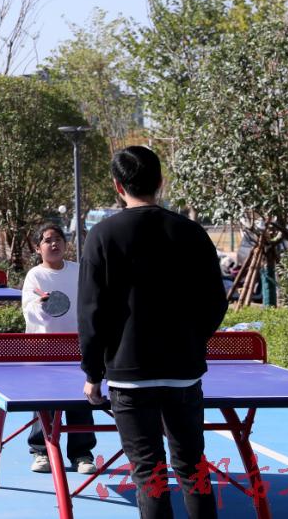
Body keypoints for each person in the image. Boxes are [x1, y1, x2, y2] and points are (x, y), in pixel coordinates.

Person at [78, 146, 227, 519]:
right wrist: (191, 340)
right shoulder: (190, 232)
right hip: (183, 372)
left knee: (150, 474)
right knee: (192, 466)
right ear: (160, 181)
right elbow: (215, 301)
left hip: (129, 376)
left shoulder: (102, 235)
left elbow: (91, 312)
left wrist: (93, 373)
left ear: (118, 185)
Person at [21, 223, 96, 474]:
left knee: (81, 401)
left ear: (65, 244)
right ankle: (41, 451)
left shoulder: (79, 270)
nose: (54, 244)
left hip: (78, 348)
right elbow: (29, 311)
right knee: (45, 403)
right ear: (38, 248)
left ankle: (82, 454)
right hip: (45, 351)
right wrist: (43, 306)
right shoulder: (35, 276)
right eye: (47, 240)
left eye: (58, 239)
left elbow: (93, 300)